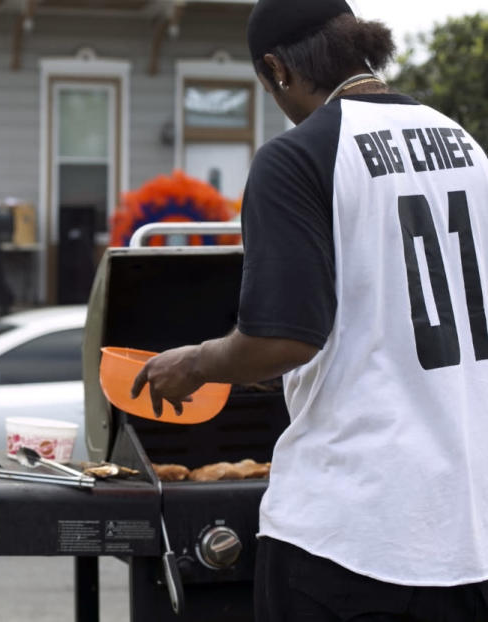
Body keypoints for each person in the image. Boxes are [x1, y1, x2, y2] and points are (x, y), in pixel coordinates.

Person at [130, 1, 488, 620]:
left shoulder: (295, 157)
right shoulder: (466, 148)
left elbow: (282, 340)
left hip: (348, 540)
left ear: (277, 69)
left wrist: (194, 363)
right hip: (466, 536)